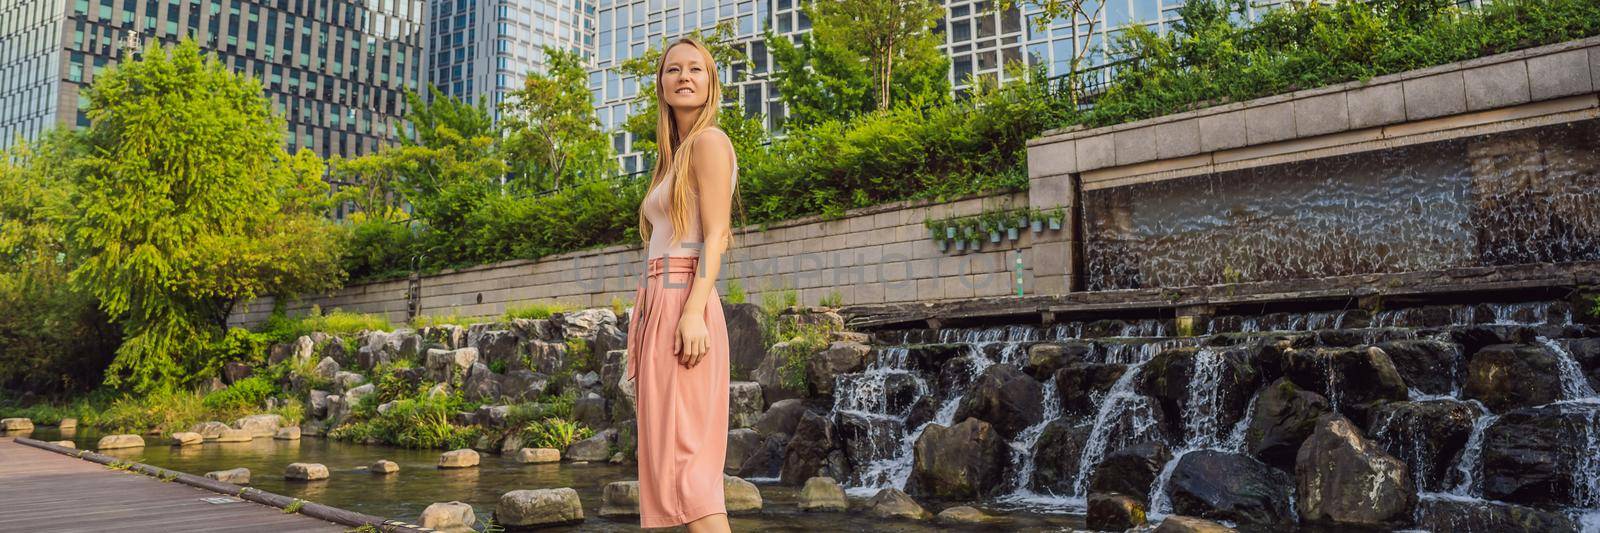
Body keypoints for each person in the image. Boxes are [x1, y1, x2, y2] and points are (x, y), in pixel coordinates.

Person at [624, 36, 740, 533]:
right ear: (662, 85)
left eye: (697, 68)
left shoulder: (710, 142)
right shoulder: (672, 156)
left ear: (711, 82)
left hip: (683, 302)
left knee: (691, 473)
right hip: (658, 306)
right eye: (674, 69)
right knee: (667, 469)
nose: (685, 76)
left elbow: (717, 234)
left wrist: (692, 311)